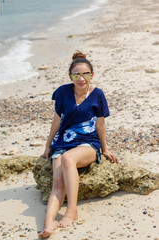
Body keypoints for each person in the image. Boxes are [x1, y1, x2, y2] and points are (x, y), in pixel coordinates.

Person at [39, 51, 119, 239]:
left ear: (92, 75)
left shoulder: (98, 94)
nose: (81, 78)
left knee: (69, 159)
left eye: (86, 74)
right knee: (58, 183)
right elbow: (57, 119)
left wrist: (105, 149)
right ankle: (48, 223)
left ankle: (72, 211)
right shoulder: (62, 92)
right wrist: (48, 145)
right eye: (77, 74)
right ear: (70, 76)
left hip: (87, 143)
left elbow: (100, 123)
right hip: (63, 142)